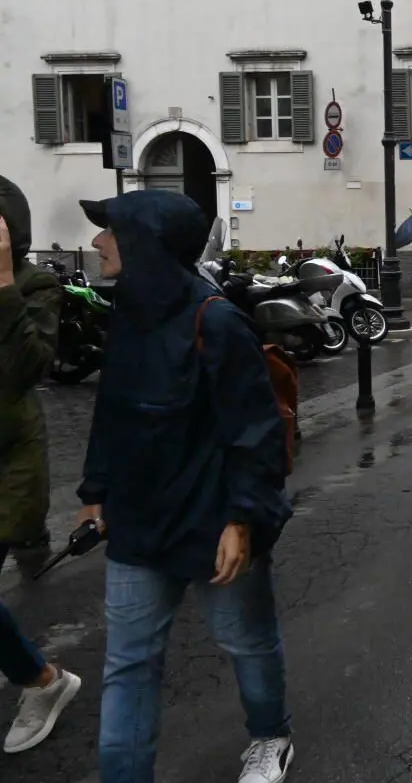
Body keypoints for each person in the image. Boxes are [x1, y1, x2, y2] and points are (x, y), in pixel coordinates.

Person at [76, 191, 294, 783]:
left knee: (245, 641)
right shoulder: (125, 315)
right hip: (138, 523)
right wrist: (96, 490)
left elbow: (255, 435)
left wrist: (241, 520)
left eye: (110, 232)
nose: (97, 243)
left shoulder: (216, 321)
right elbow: (112, 411)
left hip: (212, 521)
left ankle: (270, 736)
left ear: (147, 243)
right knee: (128, 665)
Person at [0, 177, 81, 756]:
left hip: (9, 465)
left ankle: (43, 682)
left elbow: (29, 366)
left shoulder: (37, 283)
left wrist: (3, 282)